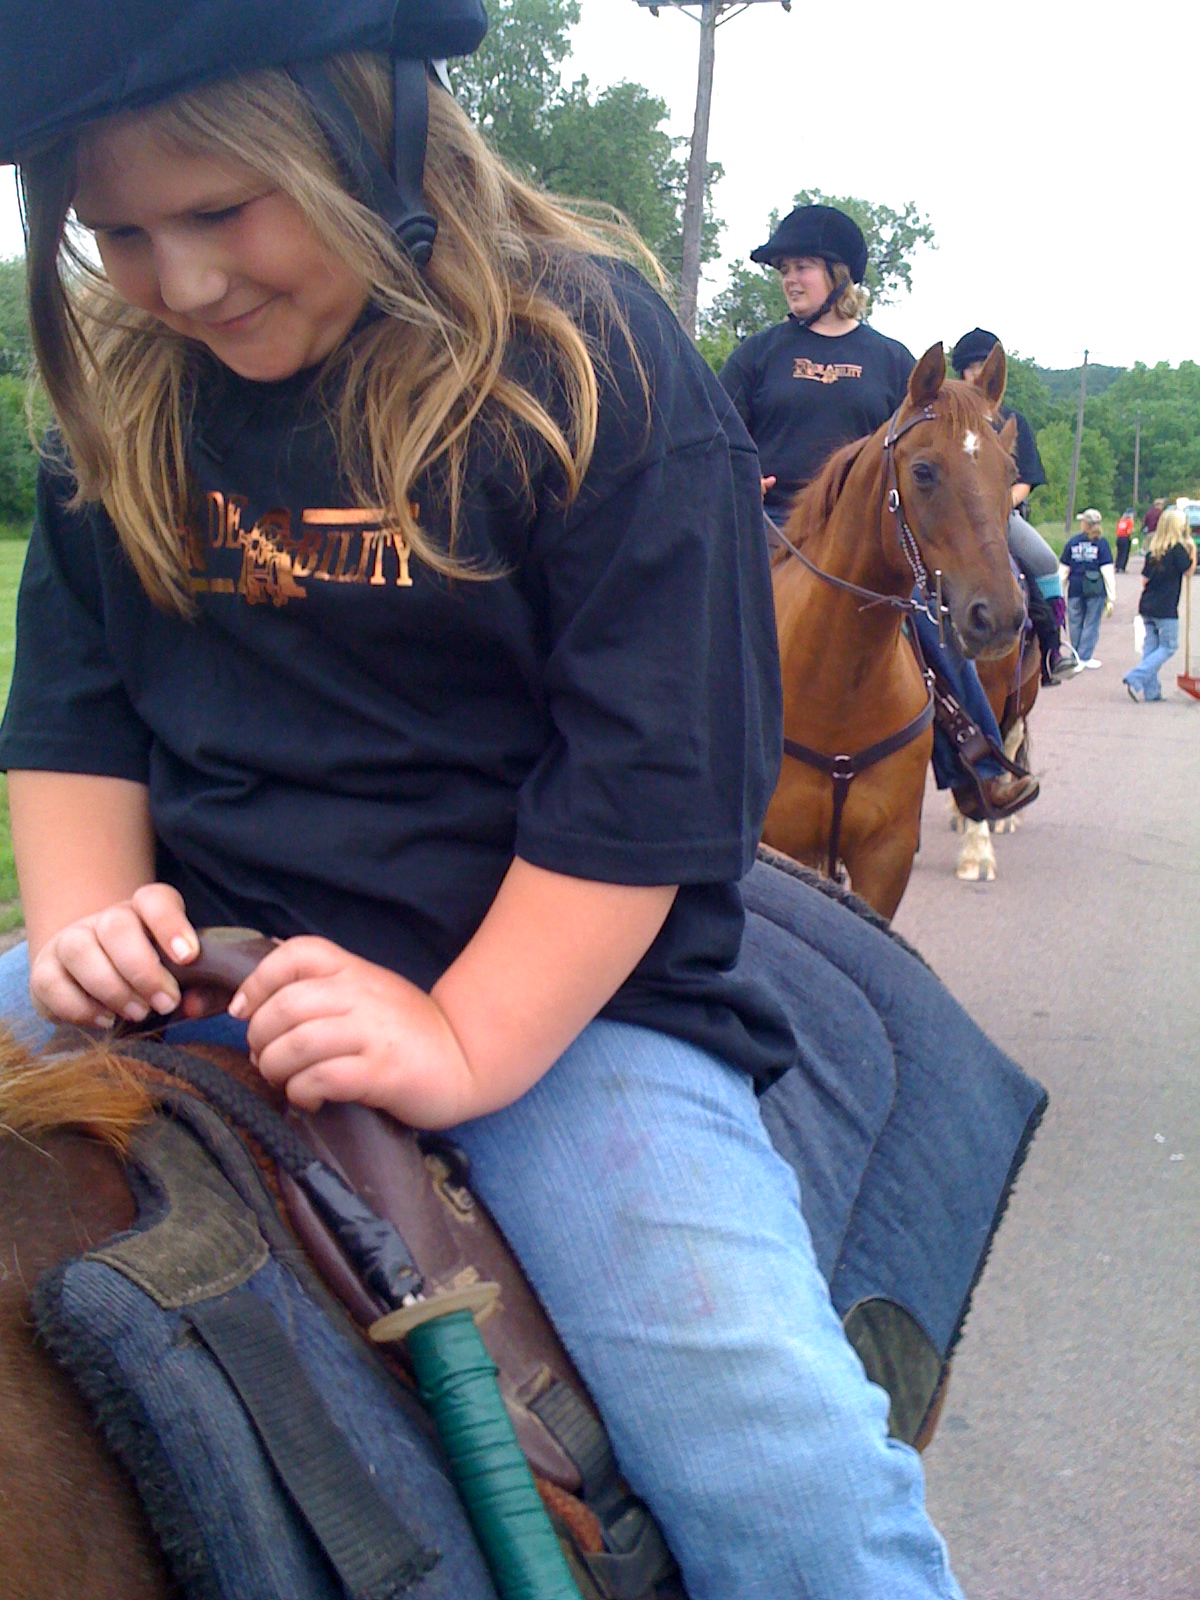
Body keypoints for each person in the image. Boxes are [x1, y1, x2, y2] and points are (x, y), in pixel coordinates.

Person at [0, 8, 968, 1598]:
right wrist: (93, 924)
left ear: (373, 135)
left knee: (774, 1463)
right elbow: (78, 711)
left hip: (553, 999)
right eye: (117, 234)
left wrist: (460, 1042)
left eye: (221, 212)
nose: (178, 283)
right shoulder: (129, 396)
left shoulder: (584, 364)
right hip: (210, 965)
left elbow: (644, 775)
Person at [719, 207, 1038, 820]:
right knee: (700, 617)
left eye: (803, 266)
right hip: (770, 523)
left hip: (866, 532)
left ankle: (979, 761)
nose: (790, 278)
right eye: (785, 269)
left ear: (840, 278)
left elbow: (933, 450)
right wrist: (737, 480)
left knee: (925, 618)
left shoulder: (893, 362)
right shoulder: (758, 355)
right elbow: (716, 432)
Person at [950, 329, 1080, 685]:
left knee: (1044, 561)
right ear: (960, 371)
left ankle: (1055, 648)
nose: (978, 373)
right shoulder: (952, 419)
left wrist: (999, 504)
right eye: (971, 367)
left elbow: (1026, 477)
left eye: (983, 366)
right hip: (957, 516)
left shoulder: (1012, 420)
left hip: (1003, 514)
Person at [1123, 507, 1197, 700]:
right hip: (1166, 607)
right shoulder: (1178, 550)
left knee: (1152, 646)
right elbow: (1188, 570)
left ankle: (1152, 691)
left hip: (1147, 604)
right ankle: (1135, 676)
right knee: (1169, 646)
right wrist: (1193, 550)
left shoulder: (1153, 551)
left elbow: (1145, 580)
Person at [1060, 509, 1115, 667]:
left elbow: (1063, 570)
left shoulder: (1073, 542)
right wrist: (1111, 596)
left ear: (1084, 524)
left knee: (1075, 622)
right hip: (1095, 589)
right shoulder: (1101, 544)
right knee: (1091, 623)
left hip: (1075, 587)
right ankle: (1084, 657)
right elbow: (1107, 571)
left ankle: (1076, 654)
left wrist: (1059, 592)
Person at [1115, 507, 1135, 572]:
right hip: (1125, 538)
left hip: (1119, 538)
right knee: (1124, 553)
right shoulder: (1129, 521)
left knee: (1119, 553)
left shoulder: (1121, 520)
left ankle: (1117, 566)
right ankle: (1122, 567)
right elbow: (1129, 531)